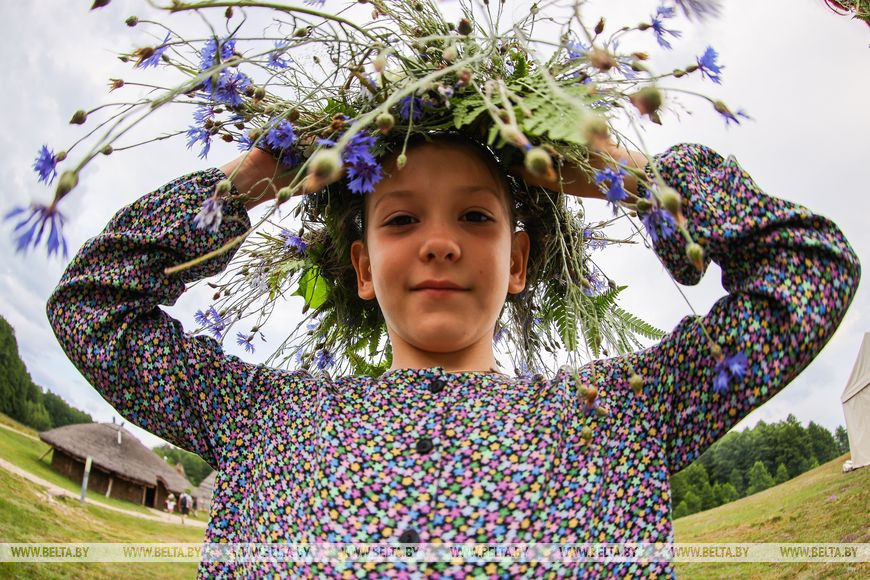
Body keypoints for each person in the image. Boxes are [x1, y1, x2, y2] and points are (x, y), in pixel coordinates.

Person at [46, 134, 860, 576]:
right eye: (400, 221)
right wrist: (259, 180)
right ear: (362, 270)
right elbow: (93, 308)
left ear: (519, 262)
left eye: (476, 218)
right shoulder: (266, 418)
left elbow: (811, 272)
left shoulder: (619, 415)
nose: (438, 242)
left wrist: (628, 174)